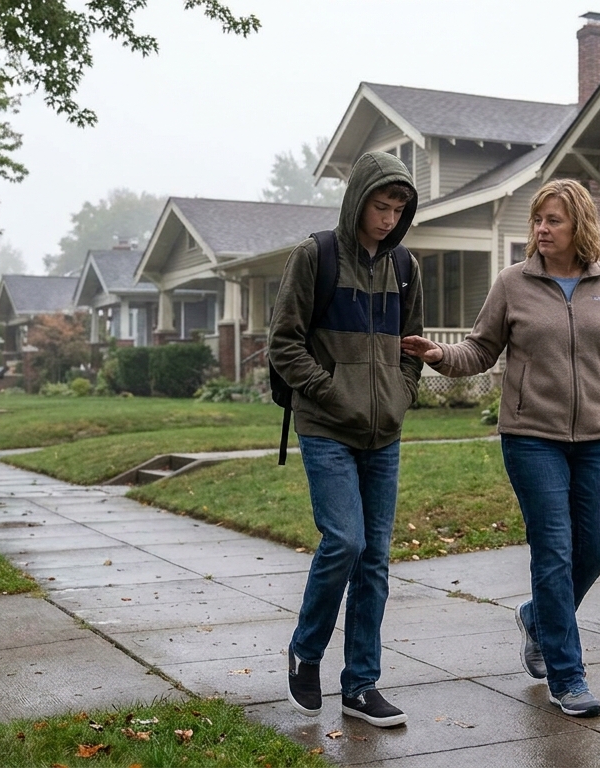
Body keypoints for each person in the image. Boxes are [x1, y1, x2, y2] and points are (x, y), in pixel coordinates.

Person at [400, 178, 600, 718]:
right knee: (555, 551)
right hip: (530, 438)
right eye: (538, 220)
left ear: (579, 226)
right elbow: (481, 349)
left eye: (554, 220)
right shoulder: (512, 284)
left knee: (597, 549)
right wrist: (441, 356)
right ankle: (568, 677)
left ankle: (536, 617)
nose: (542, 229)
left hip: (594, 439)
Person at [268, 151, 423, 728]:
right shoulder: (316, 257)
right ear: (358, 199)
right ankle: (305, 651)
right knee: (345, 542)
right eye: (380, 206)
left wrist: (403, 394)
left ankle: (360, 685)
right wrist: (331, 392)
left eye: (398, 209)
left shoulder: (406, 266)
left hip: (384, 433)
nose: (387, 218)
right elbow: (283, 344)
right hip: (327, 426)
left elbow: (413, 344)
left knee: (376, 559)